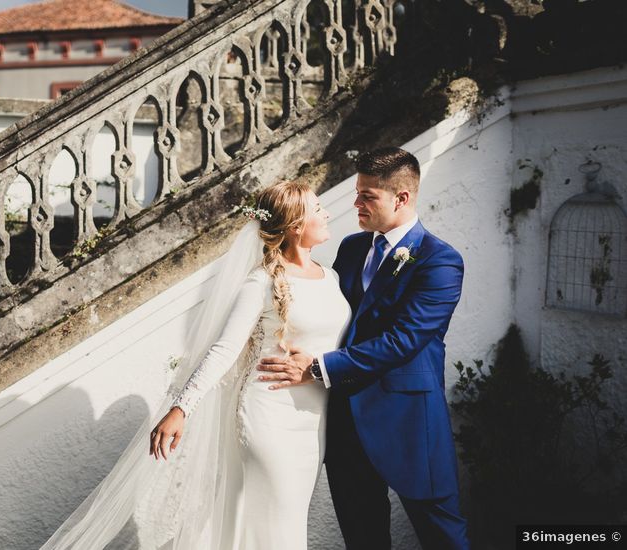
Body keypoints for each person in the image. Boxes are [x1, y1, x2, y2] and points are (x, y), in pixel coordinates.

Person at [41, 180, 351, 549]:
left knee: (282, 520)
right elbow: (224, 349)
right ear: (296, 225)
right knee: (281, 528)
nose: (327, 212)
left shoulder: (330, 276)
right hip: (270, 415)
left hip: (313, 420)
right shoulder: (262, 280)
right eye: (318, 209)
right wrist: (181, 407)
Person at [257, 147, 471, 549]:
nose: (355, 203)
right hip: (347, 422)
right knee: (363, 538)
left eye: (367, 195)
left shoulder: (440, 262)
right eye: (357, 192)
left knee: (444, 536)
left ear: (401, 198)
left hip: (410, 422)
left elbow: (404, 339)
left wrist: (318, 366)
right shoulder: (353, 249)